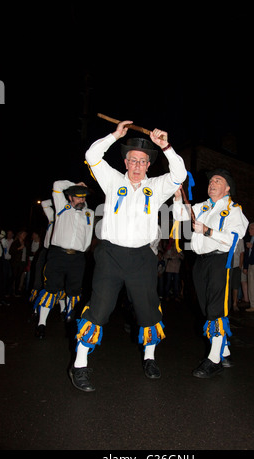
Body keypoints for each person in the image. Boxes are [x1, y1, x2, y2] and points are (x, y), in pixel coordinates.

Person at [69, 120, 187, 392]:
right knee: (99, 308)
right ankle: (79, 365)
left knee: (147, 310)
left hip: (142, 259)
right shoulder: (111, 180)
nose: (137, 165)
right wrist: (114, 135)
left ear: (148, 165)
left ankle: (149, 358)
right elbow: (91, 156)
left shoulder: (156, 187)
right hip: (110, 255)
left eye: (142, 161)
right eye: (132, 160)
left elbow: (179, 175)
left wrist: (166, 146)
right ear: (125, 163)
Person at [173, 168, 248, 378]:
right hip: (200, 261)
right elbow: (179, 215)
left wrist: (207, 231)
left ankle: (213, 360)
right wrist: (179, 197)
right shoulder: (202, 206)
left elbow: (233, 239)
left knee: (216, 308)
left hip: (219, 261)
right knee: (206, 308)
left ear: (227, 188)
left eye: (218, 181)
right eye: (211, 181)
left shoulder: (233, 210)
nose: (212, 183)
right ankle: (224, 351)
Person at [34, 182, 94, 339]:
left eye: (83, 197)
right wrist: (75, 184)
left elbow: (87, 237)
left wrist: (82, 250)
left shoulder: (89, 213)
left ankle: (70, 319)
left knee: (74, 290)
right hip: (58, 255)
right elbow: (57, 184)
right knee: (51, 288)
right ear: (70, 197)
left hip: (77, 258)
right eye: (78, 198)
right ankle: (41, 324)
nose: (81, 200)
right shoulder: (62, 207)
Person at [9, 230, 28, 296]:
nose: (24, 236)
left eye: (25, 234)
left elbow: (26, 253)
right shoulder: (15, 242)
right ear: (20, 235)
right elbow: (11, 251)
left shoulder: (25, 243)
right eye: (23, 234)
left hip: (22, 262)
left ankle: (16, 292)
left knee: (18, 277)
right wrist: (19, 248)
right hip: (16, 262)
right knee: (13, 276)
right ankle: (9, 291)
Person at [231, 238, 244, 311]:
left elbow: (242, 253)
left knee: (235, 286)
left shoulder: (240, 239)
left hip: (236, 265)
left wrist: (240, 265)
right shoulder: (226, 236)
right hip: (228, 266)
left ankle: (235, 303)